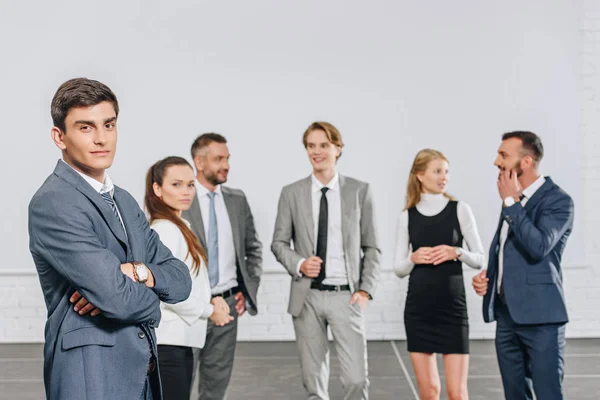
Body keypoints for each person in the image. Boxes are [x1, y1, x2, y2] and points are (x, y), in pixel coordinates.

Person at [28, 78, 192, 400]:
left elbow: (181, 279)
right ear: (59, 137)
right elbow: (118, 300)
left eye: (109, 124)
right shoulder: (54, 202)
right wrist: (149, 296)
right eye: (86, 127)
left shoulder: (125, 201)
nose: (102, 139)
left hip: (141, 375)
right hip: (91, 376)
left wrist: (137, 273)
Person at [271, 121, 381, 399]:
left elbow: (372, 247)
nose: (316, 152)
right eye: (311, 146)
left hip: (347, 295)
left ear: (338, 149)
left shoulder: (359, 191)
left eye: (323, 145)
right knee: (313, 384)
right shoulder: (291, 193)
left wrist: (366, 290)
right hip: (307, 297)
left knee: (356, 379)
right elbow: (279, 243)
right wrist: (299, 263)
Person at [472, 131, 574, 400]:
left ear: (526, 161)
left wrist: (510, 203)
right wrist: (490, 279)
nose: (496, 161)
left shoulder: (558, 201)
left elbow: (539, 246)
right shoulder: (513, 199)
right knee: (514, 394)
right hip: (507, 318)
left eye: (503, 155)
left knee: (548, 393)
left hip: (542, 320)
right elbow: (509, 251)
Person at [394, 149, 485, 400]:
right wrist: (413, 258)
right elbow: (398, 269)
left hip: (453, 310)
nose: (443, 177)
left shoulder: (460, 209)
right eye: (437, 171)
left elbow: (480, 258)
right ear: (420, 175)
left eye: (446, 171)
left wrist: (456, 252)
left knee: (457, 392)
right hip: (419, 311)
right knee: (430, 390)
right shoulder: (407, 216)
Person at [145, 156, 234, 400]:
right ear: (157, 189)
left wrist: (213, 299)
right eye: (176, 184)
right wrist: (209, 311)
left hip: (179, 343)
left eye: (190, 184)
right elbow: (166, 291)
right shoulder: (164, 229)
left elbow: (188, 282)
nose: (186, 192)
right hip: (167, 346)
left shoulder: (180, 224)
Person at [182, 133, 263, 400]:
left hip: (227, 307)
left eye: (227, 158)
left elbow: (253, 249)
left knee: (215, 387)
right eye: (218, 159)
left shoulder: (237, 199)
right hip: (189, 308)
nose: (226, 164)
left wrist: (246, 289)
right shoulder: (181, 199)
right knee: (179, 384)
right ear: (199, 162)